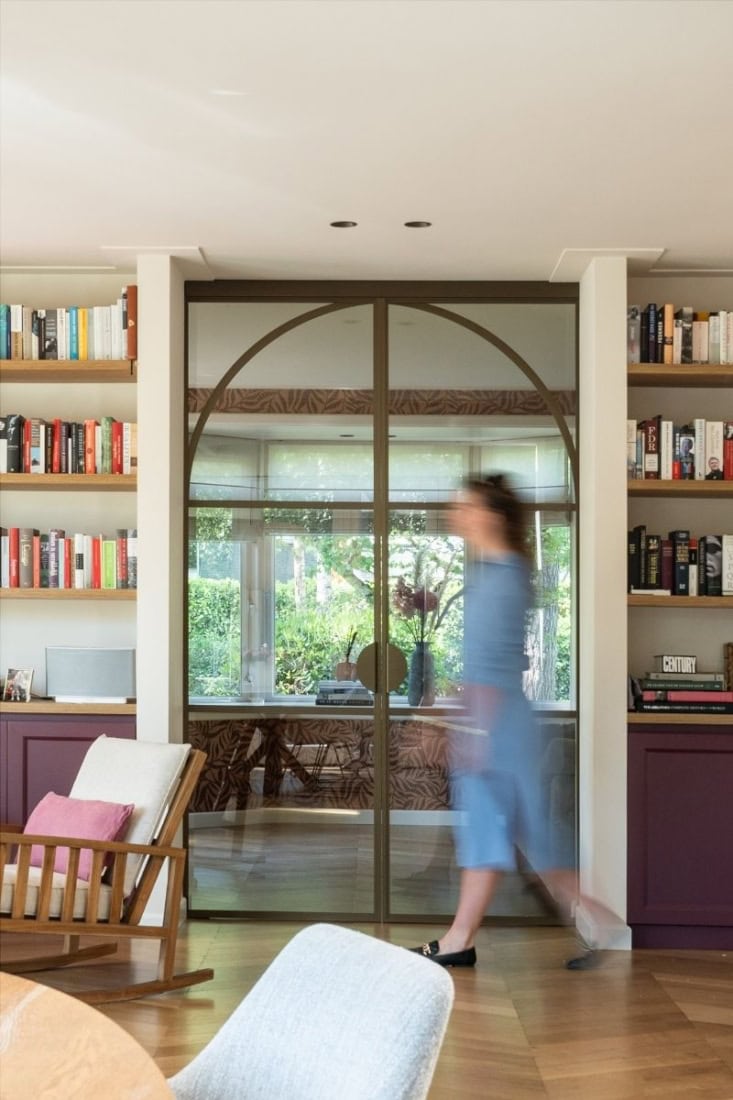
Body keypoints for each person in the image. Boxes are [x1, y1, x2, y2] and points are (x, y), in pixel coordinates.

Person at [410, 473, 619, 970]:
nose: (455, 514)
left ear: (491, 517)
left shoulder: (500, 579)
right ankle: (465, 937)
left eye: (465, 506)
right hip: (500, 724)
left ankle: (466, 939)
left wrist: (470, 733)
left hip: (494, 727)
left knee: (501, 832)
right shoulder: (502, 573)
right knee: (521, 833)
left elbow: (492, 668)